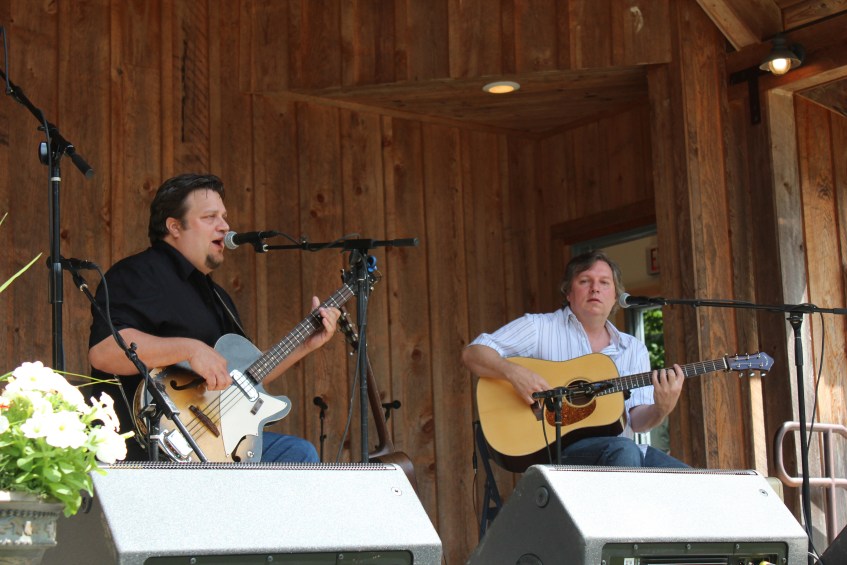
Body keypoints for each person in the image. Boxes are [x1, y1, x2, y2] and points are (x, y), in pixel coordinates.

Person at [88, 173, 340, 462]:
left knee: (296, 454)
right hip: (151, 447)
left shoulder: (216, 296)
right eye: (210, 217)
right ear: (174, 226)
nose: (225, 226)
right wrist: (190, 349)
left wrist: (306, 343)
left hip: (216, 443)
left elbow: (245, 376)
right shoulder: (138, 274)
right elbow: (104, 352)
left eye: (224, 217)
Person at [462, 250, 687, 468]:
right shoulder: (539, 327)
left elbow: (637, 421)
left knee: (694, 482)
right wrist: (514, 373)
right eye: (585, 281)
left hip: (622, 455)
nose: (595, 288)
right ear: (568, 293)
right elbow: (473, 353)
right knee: (624, 450)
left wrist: (661, 409)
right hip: (558, 450)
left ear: (616, 297)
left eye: (604, 283)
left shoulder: (634, 349)